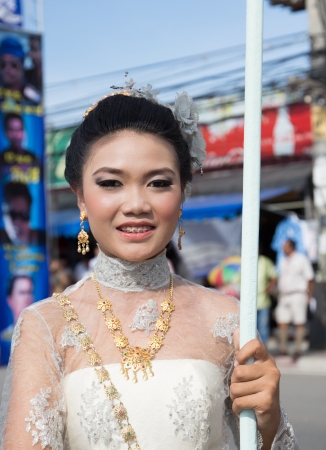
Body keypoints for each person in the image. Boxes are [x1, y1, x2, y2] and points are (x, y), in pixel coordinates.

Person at [0, 83, 298, 449]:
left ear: (183, 190)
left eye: (158, 183)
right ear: (79, 195)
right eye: (111, 183)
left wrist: (268, 422)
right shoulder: (45, 326)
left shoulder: (229, 320)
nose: (136, 203)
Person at [276, 238, 314, 361]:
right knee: (282, 320)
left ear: (291, 247)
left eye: (285, 246)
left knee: (299, 321)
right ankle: (283, 348)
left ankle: (298, 349)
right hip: (284, 294)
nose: (283, 249)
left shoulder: (301, 259)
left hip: (298, 294)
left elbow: (310, 278)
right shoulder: (283, 260)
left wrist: (309, 296)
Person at [0, 113, 42, 185]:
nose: (16, 135)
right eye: (11, 130)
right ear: (5, 132)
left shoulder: (35, 159)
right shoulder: (1, 160)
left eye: (19, 129)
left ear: (24, 132)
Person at [0, 37, 41, 104]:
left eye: (13, 65)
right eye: (3, 64)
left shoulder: (32, 96)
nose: (7, 70)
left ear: (22, 66)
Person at [257, 250, 277, 346]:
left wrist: (269, 289)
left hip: (263, 300)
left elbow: (274, 276)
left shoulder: (265, 261)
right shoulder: (243, 261)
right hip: (248, 304)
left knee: (263, 328)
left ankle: (263, 350)